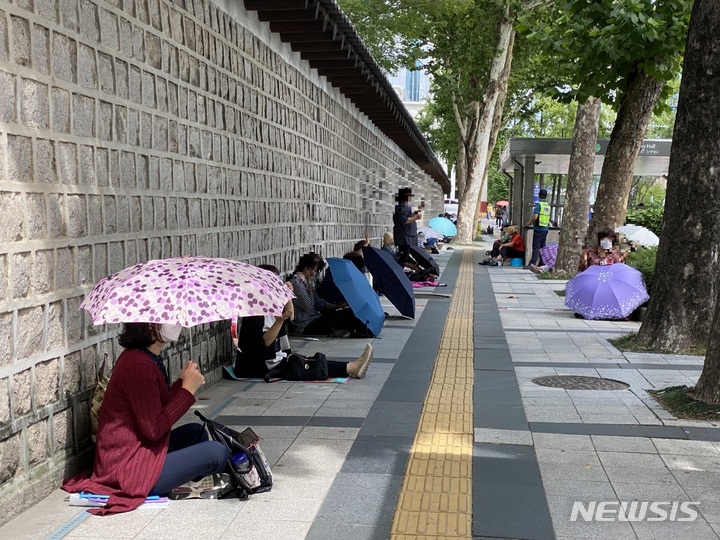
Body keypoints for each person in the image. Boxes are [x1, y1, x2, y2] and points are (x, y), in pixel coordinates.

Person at [62, 323, 229, 514]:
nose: (176, 323)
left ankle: (181, 481)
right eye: (169, 318)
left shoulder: (145, 358)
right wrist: (187, 392)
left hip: (140, 451)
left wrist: (181, 384)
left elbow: (156, 409)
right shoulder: (139, 365)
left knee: (195, 432)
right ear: (149, 325)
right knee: (216, 452)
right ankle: (174, 484)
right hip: (129, 471)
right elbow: (154, 428)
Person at [235, 265, 373, 380]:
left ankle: (351, 366)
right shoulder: (256, 310)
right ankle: (352, 367)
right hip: (258, 365)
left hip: (272, 359)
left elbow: (291, 316)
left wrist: (287, 295)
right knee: (300, 365)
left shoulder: (270, 302)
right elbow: (265, 341)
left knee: (304, 360)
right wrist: (279, 321)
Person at [289, 253, 364, 337]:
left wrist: (337, 306)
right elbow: (308, 306)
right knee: (344, 317)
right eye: (314, 270)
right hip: (305, 325)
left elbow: (319, 302)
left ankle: (358, 332)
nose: (314, 273)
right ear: (308, 268)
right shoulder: (296, 283)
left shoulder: (305, 282)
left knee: (349, 312)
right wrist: (309, 289)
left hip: (315, 318)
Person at [393, 188, 422, 268]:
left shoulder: (405, 206)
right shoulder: (401, 206)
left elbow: (408, 216)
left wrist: (415, 214)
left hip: (407, 236)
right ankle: (397, 273)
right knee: (404, 257)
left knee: (405, 256)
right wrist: (415, 217)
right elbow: (404, 220)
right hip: (404, 237)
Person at [527, 189, 551, 266]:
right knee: (542, 247)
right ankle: (542, 263)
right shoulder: (548, 205)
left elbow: (535, 217)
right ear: (546, 196)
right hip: (545, 229)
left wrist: (529, 223)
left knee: (536, 247)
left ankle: (532, 263)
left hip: (538, 228)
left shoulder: (538, 205)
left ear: (539, 195)